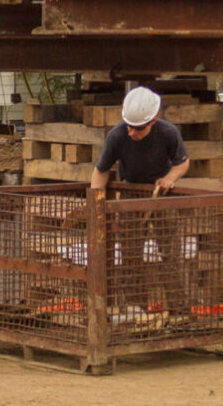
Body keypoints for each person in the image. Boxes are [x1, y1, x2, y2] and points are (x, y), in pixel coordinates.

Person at [90, 86, 190, 315]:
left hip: (161, 195)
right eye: (129, 127)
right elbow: (101, 170)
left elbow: (183, 162)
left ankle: (180, 312)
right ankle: (135, 310)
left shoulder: (168, 133)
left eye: (138, 129)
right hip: (130, 195)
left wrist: (169, 179)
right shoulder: (116, 136)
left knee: (171, 254)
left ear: (153, 121)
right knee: (131, 255)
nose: (131, 133)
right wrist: (96, 200)